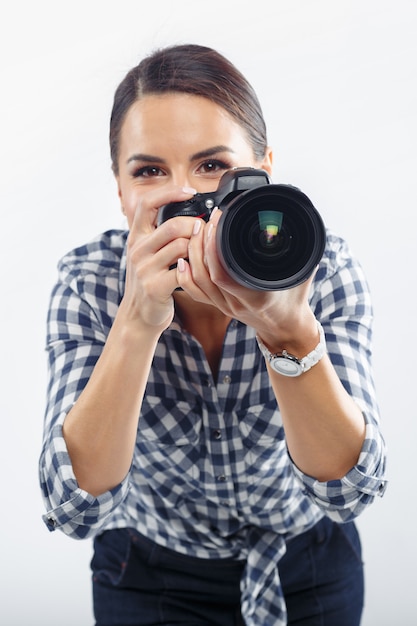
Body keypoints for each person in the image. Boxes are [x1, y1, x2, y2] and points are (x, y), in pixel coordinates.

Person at [39, 44, 387, 626]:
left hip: (308, 566)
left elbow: (350, 492)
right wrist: (136, 321)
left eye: (213, 167)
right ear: (121, 191)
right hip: (148, 572)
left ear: (264, 173)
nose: (185, 196)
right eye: (150, 171)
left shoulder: (320, 269)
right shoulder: (89, 284)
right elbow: (74, 507)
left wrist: (288, 333)